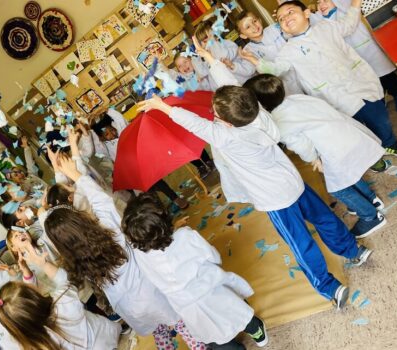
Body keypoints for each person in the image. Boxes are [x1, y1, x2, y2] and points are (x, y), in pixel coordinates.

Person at [137, 51, 372, 309]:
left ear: (225, 123)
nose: (212, 112)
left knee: (301, 243)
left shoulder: (226, 137)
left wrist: (162, 107)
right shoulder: (258, 114)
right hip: (293, 183)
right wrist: (210, 59)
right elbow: (236, 88)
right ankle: (354, 251)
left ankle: (328, 287)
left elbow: (194, 124)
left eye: (215, 111)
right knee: (324, 218)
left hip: (275, 199)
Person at [44, 158, 206, 349]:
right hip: (152, 294)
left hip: (130, 309)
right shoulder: (109, 233)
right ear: (78, 220)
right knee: (185, 327)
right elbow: (103, 201)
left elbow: (59, 227)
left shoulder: (76, 261)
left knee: (159, 333)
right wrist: (77, 175)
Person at [239, 0, 397, 155]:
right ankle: (377, 149)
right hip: (335, 96)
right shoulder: (288, 51)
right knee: (355, 127)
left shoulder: (325, 27)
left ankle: (388, 142)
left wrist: (355, 3)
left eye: (290, 12)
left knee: (378, 114)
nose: (286, 18)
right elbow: (274, 70)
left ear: (307, 13)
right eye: (281, 18)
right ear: (282, 28)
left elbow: (349, 24)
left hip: (359, 82)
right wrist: (254, 60)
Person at [244, 74, 387, 237]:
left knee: (339, 188)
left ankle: (371, 217)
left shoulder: (279, 122)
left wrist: (313, 159)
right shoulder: (296, 98)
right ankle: (371, 198)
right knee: (349, 174)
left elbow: (302, 145)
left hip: (334, 149)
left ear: (260, 105)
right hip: (347, 134)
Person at [122, 192, 267, 348]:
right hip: (212, 289)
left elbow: (159, 251)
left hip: (185, 306)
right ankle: (257, 331)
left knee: (213, 336)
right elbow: (214, 257)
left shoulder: (140, 255)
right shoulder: (186, 236)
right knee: (236, 311)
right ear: (165, 217)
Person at [0, 246, 121, 350]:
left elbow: (25, 305)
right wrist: (43, 264)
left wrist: (27, 272)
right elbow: (65, 280)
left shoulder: (34, 343)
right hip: (111, 341)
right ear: (34, 295)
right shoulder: (62, 302)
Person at [91, 110, 191, 209]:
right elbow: (95, 144)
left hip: (142, 165)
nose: (112, 134)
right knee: (146, 195)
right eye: (107, 134)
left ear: (114, 126)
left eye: (112, 130)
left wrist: (107, 110)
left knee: (158, 182)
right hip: (130, 174)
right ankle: (159, 211)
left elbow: (119, 119)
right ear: (102, 138)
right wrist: (88, 127)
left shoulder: (123, 132)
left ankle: (175, 198)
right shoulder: (105, 147)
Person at [316, 0, 397, 111]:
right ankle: (380, 104)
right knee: (370, 85)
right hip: (354, 61)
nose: (322, 5)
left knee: (386, 77)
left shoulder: (346, 10)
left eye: (325, 0)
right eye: (318, 2)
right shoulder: (321, 21)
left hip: (370, 52)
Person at [234, 11, 304, 95]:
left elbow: (293, 34)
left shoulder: (275, 28)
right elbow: (248, 70)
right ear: (243, 35)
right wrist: (233, 66)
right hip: (284, 83)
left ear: (260, 20)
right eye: (248, 27)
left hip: (299, 68)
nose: (254, 26)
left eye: (254, 21)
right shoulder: (248, 50)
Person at [194, 20, 256, 85]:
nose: (208, 45)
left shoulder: (227, 44)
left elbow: (223, 56)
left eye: (209, 39)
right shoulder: (208, 59)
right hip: (235, 88)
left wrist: (213, 44)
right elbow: (206, 73)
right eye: (204, 42)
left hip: (248, 80)